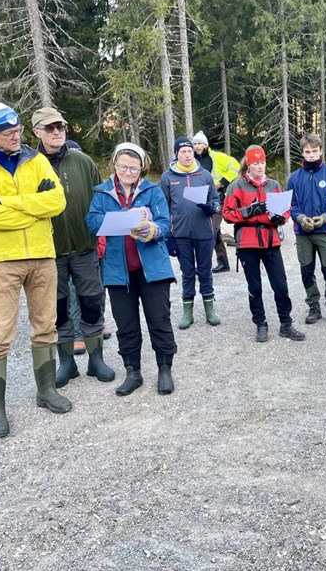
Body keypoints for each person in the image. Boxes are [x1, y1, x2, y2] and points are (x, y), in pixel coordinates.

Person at [0, 99, 69, 438]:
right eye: (9, 133)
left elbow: (58, 201)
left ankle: (46, 390)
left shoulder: (35, 159)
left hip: (42, 254)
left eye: (19, 130)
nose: (17, 137)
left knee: (46, 325)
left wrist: (10, 202)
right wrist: (33, 208)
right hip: (2, 260)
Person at [31, 107, 115, 387]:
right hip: (49, 252)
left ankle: (96, 360)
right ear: (37, 132)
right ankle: (67, 364)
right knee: (59, 308)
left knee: (92, 302)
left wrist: (100, 234)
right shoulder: (29, 165)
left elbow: (99, 200)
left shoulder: (83, 161)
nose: (56, 132)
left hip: (83, 247)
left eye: (61, 128)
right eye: (50, 128)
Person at [86, 143, 177, 396]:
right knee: (126, 324)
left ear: (141, 168)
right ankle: (133, 372)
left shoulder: (152, 190)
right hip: (118, 271)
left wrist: (153, 230)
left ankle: (164, 369)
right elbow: (92, 222)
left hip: (153, 270)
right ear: (115, 165)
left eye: (134, 168)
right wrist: (116, 220)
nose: (128, 172)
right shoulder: (103, 194)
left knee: (159, 320)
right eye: (124, 166)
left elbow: (165, 224)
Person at [223, 145, 306, 342]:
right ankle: (260, 324)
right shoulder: (236, 186)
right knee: (255, 287)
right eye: (256, 163)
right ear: (248, 165)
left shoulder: (274, 185)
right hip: (247, 243)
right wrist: (247, 212)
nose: (260, 166)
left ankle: (286, 323)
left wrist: (281, 218)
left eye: (262, 162)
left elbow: (286, 209)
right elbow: (227, 215)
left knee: (281, 285)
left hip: (271, 241)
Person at [160, 136, 221, 329]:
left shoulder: (204, 175)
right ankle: (188, 312)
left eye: (189, 151)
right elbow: (163, 206)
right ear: (176, 154)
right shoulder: (168, 177)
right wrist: (167, 236)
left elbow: (217, 201)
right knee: (187, 273)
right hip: (180, 233)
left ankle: (209, 309)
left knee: (205, 271)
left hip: (204, 232)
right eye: (182, 151)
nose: (187, 155)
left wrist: (210, 207)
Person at [288, 133, 326, 324]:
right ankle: (313, 307)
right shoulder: (294, 178)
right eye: (307, 152)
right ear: (302, 153)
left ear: (321, 151)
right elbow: (291, 204)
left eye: (314, 151)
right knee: (307, 271)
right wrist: (300, 218)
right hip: (303, 233)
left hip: (325, 231)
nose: (311, 155)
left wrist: (324, 218)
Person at [192, 131, 239, 273]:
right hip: (201, 200)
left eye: (199, 143)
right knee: (215, 231)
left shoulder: (217, 157)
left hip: (218, 199)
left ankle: (202, 265)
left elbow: (235, 167)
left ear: (205, 145)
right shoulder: (192, 159)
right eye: (194, 144)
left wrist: (221, 183)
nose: (197, 146)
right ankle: (223, 262)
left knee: (210, 230)